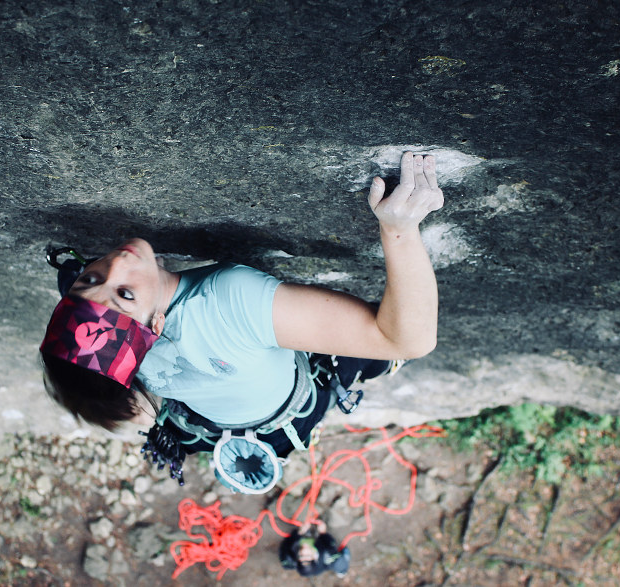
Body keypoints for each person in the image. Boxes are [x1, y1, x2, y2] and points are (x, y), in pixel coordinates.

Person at [40, 152, 443, 487]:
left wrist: (103, 291)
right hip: (292, 401)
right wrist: (400, 230)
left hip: (216, 421)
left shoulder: (111, 357)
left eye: (90, 279)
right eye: (125, 294)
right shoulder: (228, 302)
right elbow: (408, 339)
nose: (117, 264)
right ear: (156, 326)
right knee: (375, 352)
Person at [278, 519, 350, 577]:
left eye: (301, 555)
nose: (304, 551)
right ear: (315, 557)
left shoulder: (288, 557)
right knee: (342, 559)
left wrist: (298, 533)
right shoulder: (327, 554)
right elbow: (330, 543)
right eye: (308, 555)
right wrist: (323, 532)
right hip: (325, 560)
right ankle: (341, 573)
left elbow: (286, 544)